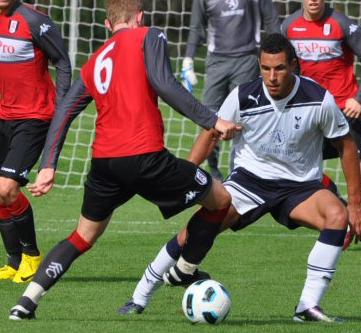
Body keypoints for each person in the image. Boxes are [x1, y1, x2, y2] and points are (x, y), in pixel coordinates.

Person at [8, 0, 241, 320]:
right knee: (221, 199)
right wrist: (211, 120)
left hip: (104, 164)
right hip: (145, 157)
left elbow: (64, 110)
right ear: (140, 17)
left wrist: (49, 164)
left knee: (82, 236)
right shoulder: (149, 35)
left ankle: (27, 301)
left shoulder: (94, 61)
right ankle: (186, 270)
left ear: (107, 25)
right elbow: (164, 83)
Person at [118, 33, 361, 322]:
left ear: (294, 66)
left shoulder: (317, 99)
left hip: (300, 187)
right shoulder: (242, 96)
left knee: (337, 215)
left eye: (280, 68)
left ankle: (307, 307)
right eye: (265, 68)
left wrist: (355, 204)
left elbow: (346, 145)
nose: (272, 77)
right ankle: (140, 296)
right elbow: (210, 135)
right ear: (259, 66)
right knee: (195, 230)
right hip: (249, 183)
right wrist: (186, 174)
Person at [281, 0, 361, 253]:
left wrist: (360, 97)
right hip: (309, 110)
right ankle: (344, 214)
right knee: (302, 170)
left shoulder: (342, 24)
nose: (313, 1)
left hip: (344, 109)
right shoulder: (288, 26)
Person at [0, 0, 71, 283]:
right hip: (2, 114)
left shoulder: (35, 20)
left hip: (33, 117)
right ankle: (14, 260)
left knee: (6, 189)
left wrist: (63, 105)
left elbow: (63, 61)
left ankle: (31, 254)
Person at [181, 0, 280, 180]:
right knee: (209, 119)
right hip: (216, 62)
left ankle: (240, 173)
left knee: (245, 120)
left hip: (247, 59)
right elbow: (197, 27)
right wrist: (188, 58)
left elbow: (272, 21)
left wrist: (280, 52)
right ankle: (213, 171)